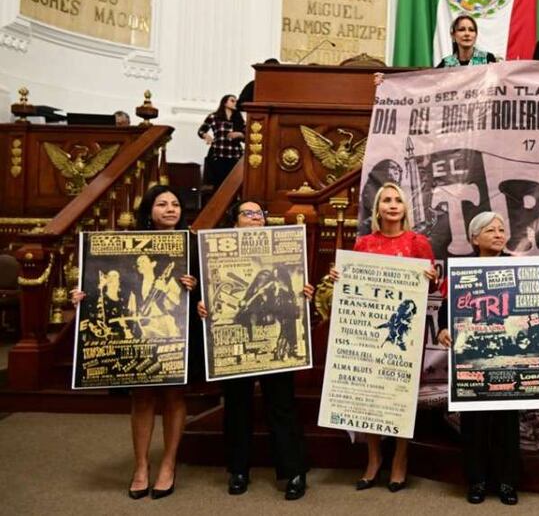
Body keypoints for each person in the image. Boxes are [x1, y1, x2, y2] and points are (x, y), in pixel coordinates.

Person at [71, 185, 198, 500]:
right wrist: (83, 296)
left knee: (174, 396)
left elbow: (209, 294)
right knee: (142, 397)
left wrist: (194, 287)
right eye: (162, 204)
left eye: (175, 204)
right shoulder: (123, 247)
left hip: (176, 330)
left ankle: (168, 464)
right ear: (149, 211)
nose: (170, 209)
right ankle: (141, 466)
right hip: (136, 332)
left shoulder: (192, 245)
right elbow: (108, 290)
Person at [196, 199, 313, 500]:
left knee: (282, 404)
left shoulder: (281, 254)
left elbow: (293, 294)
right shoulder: (214, 249)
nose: (254, 218)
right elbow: (207, 291)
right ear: (234, 222)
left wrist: (304, 294)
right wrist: (202, 303)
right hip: (241, 336)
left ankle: (294, 471)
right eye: (247, 213)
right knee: (236, 405)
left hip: (276, 334)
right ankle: (238, 470)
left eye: (259, 214)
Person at [437, 211, 539, 506]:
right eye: (491, 230)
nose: (499, 234)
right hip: (472, 361)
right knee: (473, 424)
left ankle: (506, 482)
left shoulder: (519, 269)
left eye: (502, 229)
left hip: (509, 360)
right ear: (475, 237)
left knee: (506, 423)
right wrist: (441, 330)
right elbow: (445, 309)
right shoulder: (461, 272)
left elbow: (533, 303)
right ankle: (476, 481)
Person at [329, 182, 439, 492]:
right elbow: (353, 286)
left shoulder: (419, 243)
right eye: (386, 200)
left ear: (405, 208)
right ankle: (374, 458)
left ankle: (400, 460)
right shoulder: (364, 244)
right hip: (369, 332)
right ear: (377, 209)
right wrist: (340, 276)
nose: (392, 205)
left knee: (401, 396)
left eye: (397, 200)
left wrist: (432, 279)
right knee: (371, 394)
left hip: (405, 333)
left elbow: (430, 292)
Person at [198, 94, 246, 190]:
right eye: (232, 100)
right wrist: (206, 136)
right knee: (219, 182)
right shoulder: (214, 117)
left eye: (236, 101)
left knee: (233, 183)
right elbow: (201, 131)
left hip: (234, 154)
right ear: (224, 102)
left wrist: (240, 134)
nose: (235, 103)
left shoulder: (239, 119)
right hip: (218, 153)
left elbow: (247, 137)